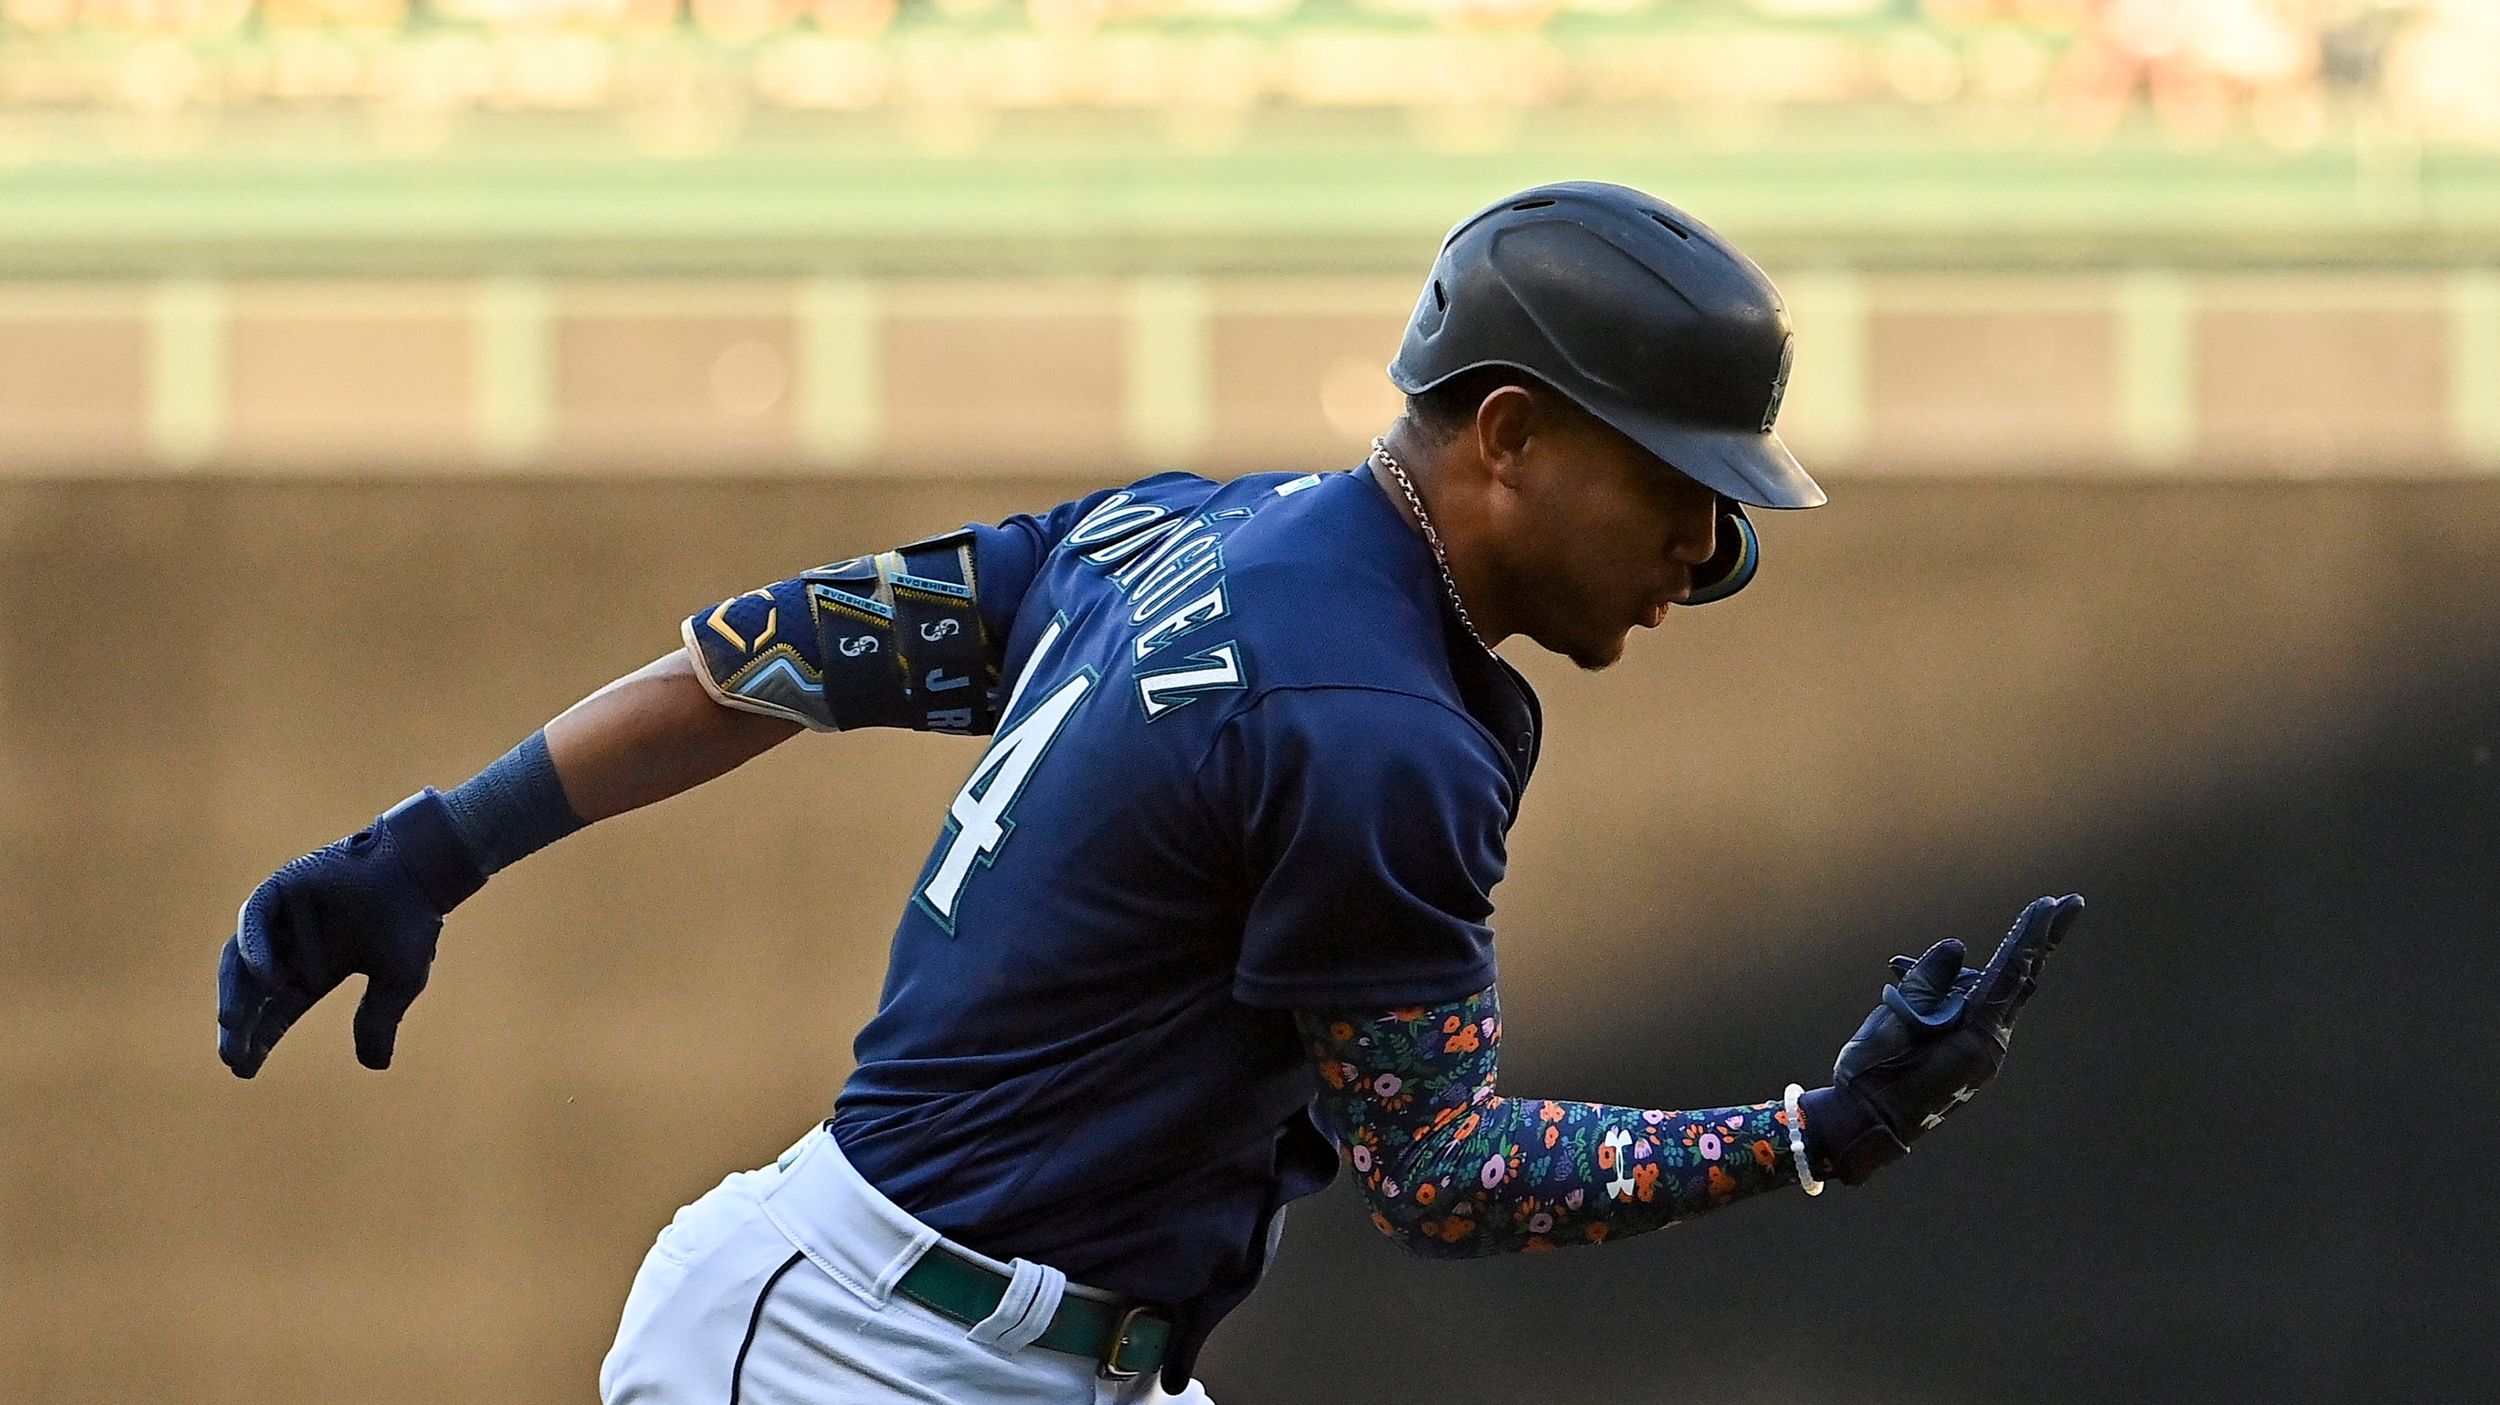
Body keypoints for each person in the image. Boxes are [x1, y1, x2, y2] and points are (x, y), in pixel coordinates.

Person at [214, 181, 2082, 1404]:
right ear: (1507, 434)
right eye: (1678, 475)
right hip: (862, 1361)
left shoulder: (1173, 528)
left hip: (1041, 1357)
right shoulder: (1376, 728)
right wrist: (1810, 1130)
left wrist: (431, 847)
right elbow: (1438, 1175)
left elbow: (770, 659)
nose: (1707, 534)